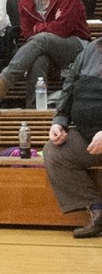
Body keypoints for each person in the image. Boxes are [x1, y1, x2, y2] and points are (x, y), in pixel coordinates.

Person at [43, 37, 102, 238]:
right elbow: (69, 86)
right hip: (88, 136)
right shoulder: (89, 50)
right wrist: (59, 121)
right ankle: (98, 211)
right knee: (56, 152)